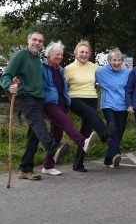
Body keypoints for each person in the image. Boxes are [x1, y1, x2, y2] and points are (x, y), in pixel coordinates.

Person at [0, 29, 64, 180]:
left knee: (34, 134)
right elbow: (6, 75)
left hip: (38, 98)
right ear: (28, 40)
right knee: (38, 123)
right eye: (34, 39)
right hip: (25, 97)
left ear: (42, 44)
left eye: (40, 41)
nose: (37, 43)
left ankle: (26, 168)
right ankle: (54, 148)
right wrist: (10, 85)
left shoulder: (37, 59)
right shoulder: (20, 55)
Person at [40, 41, 98, 176]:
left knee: (57, 135)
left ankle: (47, 166)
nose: (60, 56)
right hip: (49, 103)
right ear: (49, 54)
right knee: (66, 121)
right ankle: (82, 141)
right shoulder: (42, 67)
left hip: (62, 104)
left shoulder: (61, 70)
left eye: (61, 54)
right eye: (57, 54)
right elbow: (30, 75)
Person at [64, 40, 111, 172]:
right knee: (92, 114)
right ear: (76, 53)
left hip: (91, 98)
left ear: (89, 54)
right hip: (75, 99)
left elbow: (109, 71)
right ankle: (105, 135)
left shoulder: (94, 67)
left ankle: (78, 164)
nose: (84, 54)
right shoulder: (68, 69)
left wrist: (123, 66)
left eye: (86, 52)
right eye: (81, 52)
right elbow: (61, 87)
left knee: (85, 133)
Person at [96, 48, 130, 169]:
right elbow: (89, 79)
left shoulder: (126, 72)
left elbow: (130, 88)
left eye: (119, 60)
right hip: (108, 105)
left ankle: (107, 160)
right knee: (112, 129)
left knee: (119, 132)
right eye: (114, 60)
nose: (116, 63)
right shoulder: (100, 71)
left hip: (122, 105)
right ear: (109, 60)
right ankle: (116, 154)